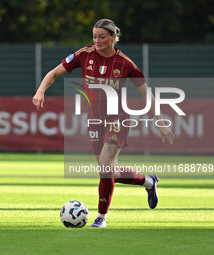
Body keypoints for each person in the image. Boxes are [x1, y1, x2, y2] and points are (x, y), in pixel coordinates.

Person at [32, 19, 175, 227]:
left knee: (105, 168)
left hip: (118, 119)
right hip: (95, 120)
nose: (97, 41)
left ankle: (101, 217)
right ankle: (148, 181)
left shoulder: (125, 63)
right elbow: (53, 73)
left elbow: (147, 94)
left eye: (102, 37)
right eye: (94, 36)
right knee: (111, 173)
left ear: (113, 37)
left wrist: (160, 122)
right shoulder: (84, 55)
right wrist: (40, 90)